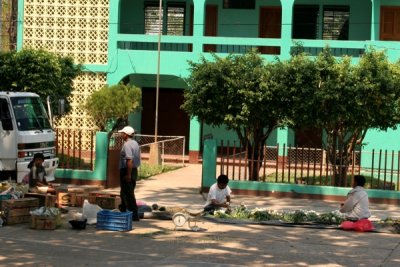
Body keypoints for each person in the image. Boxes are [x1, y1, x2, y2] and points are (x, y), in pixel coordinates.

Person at [118, 126, 141, 221]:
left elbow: (129, 160)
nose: (121, 134)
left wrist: (128, 174)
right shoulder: (135, 143)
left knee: (129, 194)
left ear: (126, 135)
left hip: (127, 170)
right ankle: (123, 210)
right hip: (134, 170)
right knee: (124, 192)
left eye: (122, 133)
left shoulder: (127, 145)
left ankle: (134, 215)